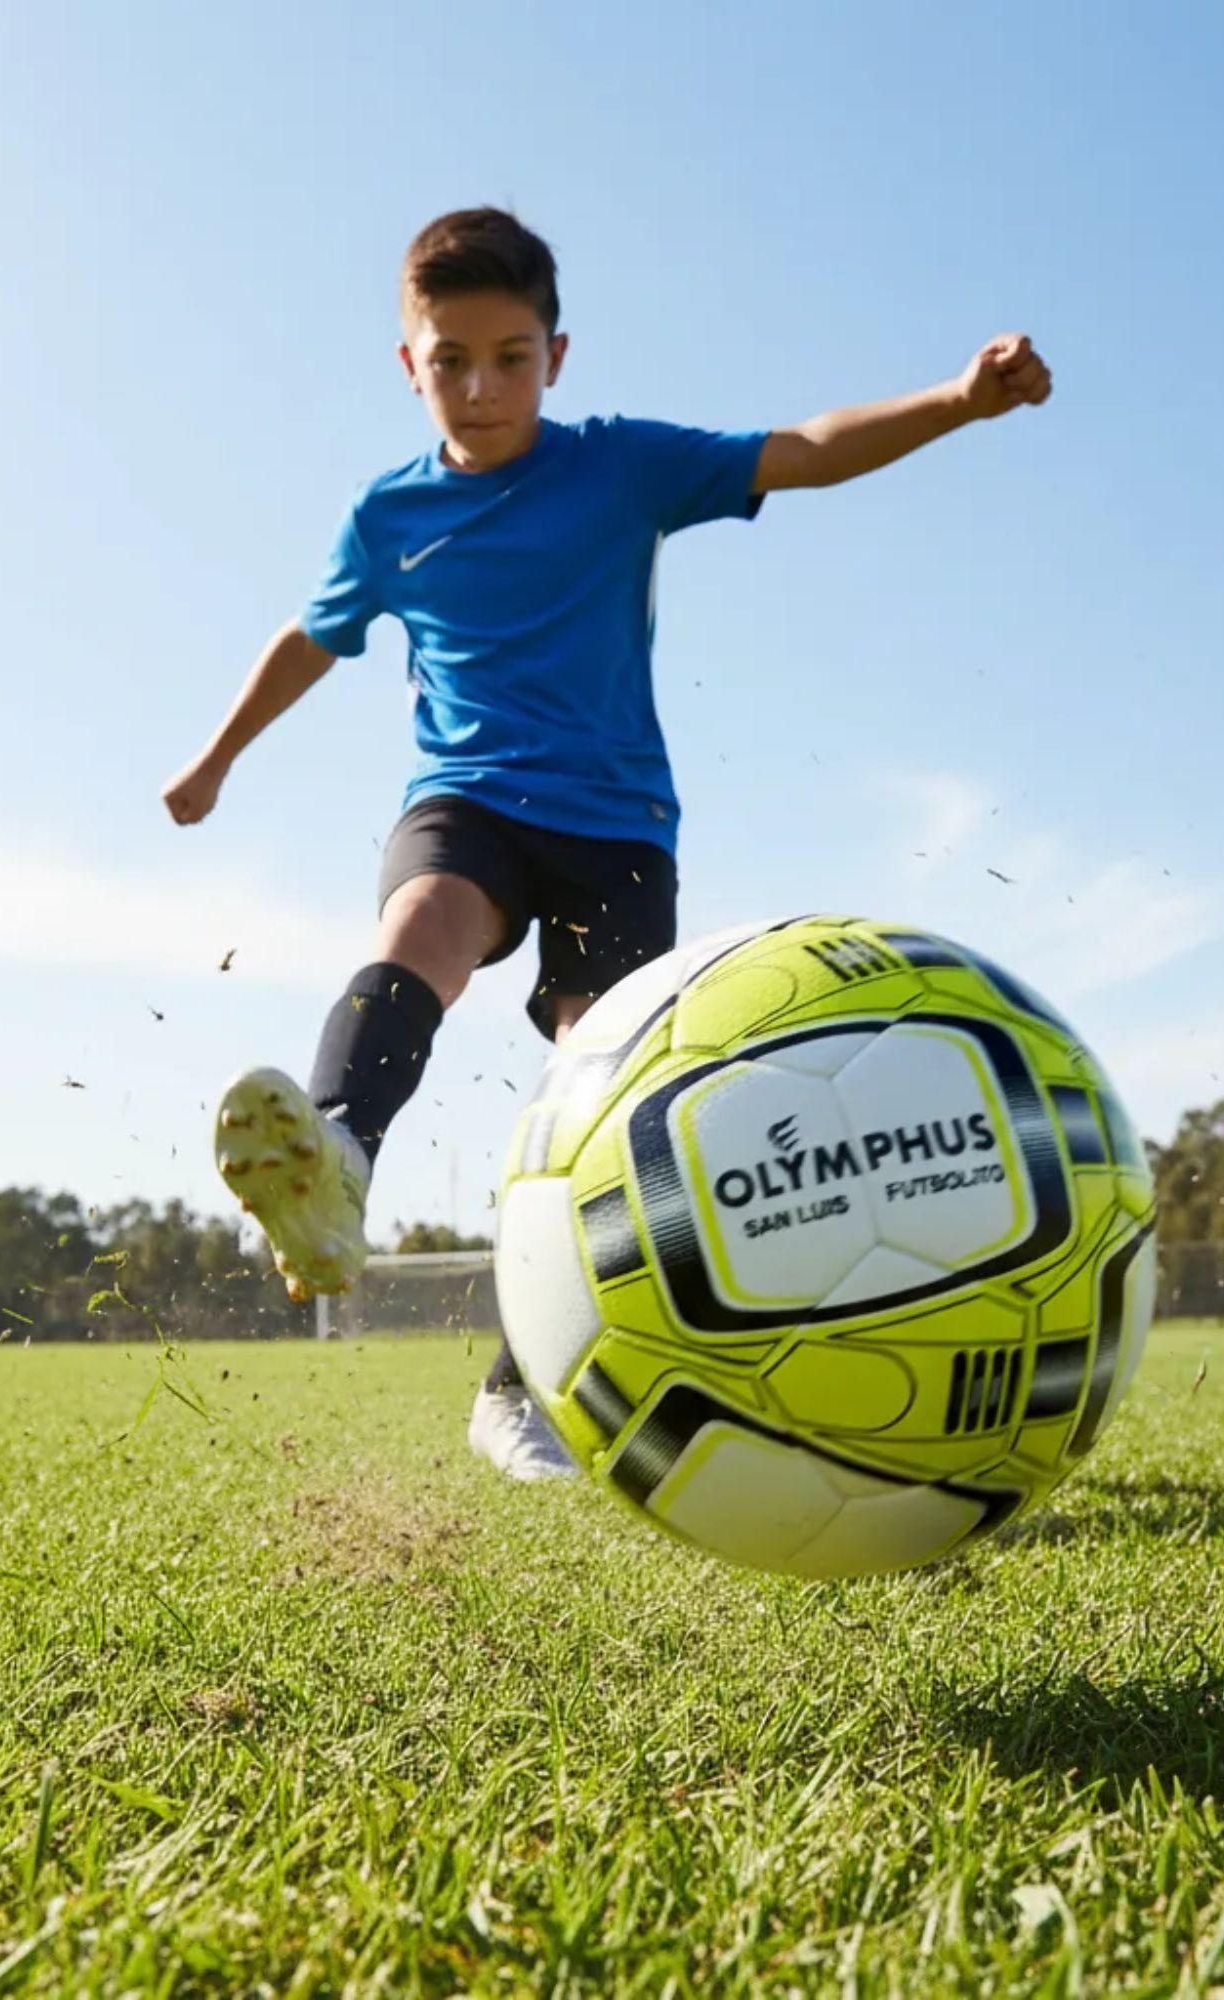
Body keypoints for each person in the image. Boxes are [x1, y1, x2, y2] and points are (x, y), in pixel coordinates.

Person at [162, 207, 1051, 1478]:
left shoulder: (621, 467)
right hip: (464, 798)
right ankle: (337, 1150)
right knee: (421, 925)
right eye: (450, 359)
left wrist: (958, 399)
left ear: (556, 357)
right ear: (407, 363)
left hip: (613, 822)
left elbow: (800, 450)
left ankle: (520, 1388)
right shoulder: (387, 514)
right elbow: (311, 636)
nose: (480, 387)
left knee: (599, 1091)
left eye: (509, 357)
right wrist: (216, 756)